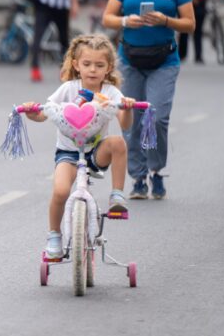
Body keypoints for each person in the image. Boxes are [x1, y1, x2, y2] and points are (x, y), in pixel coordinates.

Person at [21, 34, 137, 259]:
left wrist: (128, 108)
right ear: (76, 65)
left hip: (95, 153)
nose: (93, 69)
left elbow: (125, 124)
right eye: (87, 64)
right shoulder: (68, 88)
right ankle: (54, 235)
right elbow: (44, 114)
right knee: (61, 191)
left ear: (109, 67)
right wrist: (30, 112)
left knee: (118, 142)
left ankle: (117, 197)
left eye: (99, 65)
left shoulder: (111, 92)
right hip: (68, 153)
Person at [101, 0, 194, 200]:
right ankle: (138, 177)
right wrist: (126, 21)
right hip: (130, 60)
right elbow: (107, 17)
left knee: (157, 117)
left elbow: (189, 24)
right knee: (132, 120)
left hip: (164, 60)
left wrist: (165, 21)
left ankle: (156, 170)